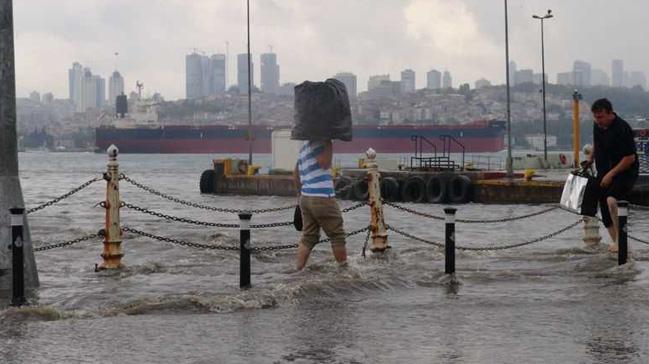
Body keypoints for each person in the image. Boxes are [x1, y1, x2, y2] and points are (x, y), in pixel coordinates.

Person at [583, 98, 639, 253]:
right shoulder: (598, 125)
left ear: (609, 113)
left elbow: (630, 158)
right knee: (603, 207)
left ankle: (621, 241)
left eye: (600, 117)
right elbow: (597, 141)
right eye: (595, 117)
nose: (597, 120)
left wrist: (611, 174)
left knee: (612, 200)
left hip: (625, 171)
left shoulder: (622, 128)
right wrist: (591, 159)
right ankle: (617, 243)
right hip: (604, 170)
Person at [293, 139, 347, 270]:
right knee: (337, 235)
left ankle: (297, 269)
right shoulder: (318, 141)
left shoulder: (304, 147)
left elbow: (295, 173)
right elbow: (324, 163)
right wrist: (328, 143)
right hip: (322, 195)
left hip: (306, 196)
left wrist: (300, 195)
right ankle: (345, 271)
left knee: (308, 237)